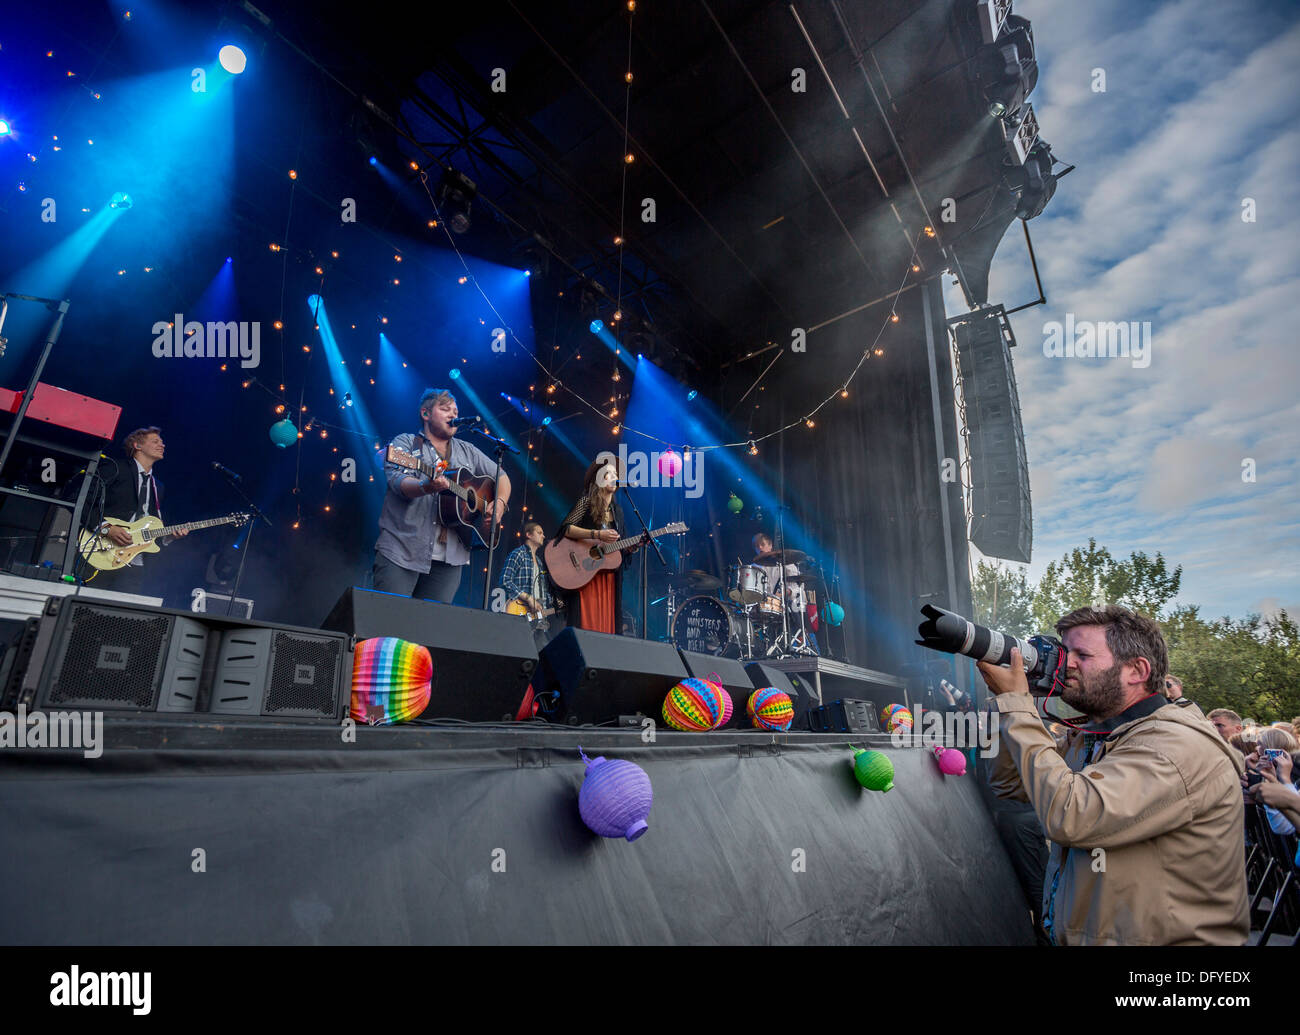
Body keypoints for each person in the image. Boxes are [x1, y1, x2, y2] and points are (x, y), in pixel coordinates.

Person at [980, 604, 1248, 946]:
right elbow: (1011, 784)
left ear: (1136, 670)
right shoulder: (1098, 736)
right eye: (1064, 652)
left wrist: (1016, 706)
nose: (1067, 664)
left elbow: (1071, 815)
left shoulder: (1174, 745)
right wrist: (1016, 702)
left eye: (1082, 654)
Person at [374, 388, 510, 604]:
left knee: (429, 634)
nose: (453, 415)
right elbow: (398, 482)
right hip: (402, 551)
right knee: (388, 628)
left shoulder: (468, 450)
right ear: (425, 414)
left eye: (455, 411)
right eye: (445, 409)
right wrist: (425, 486)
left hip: (450, 561)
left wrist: (500, 504)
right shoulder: (406, 444)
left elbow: (502, 476)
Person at [86, 426, 188, 595]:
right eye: (155, 441)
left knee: (122, 615)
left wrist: (168, 536)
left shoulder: (158, 486)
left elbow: (149, 524)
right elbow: (80, 500)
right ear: (137, 446)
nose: (162, 446)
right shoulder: (115, 468)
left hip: (134, 561)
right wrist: (106, 528)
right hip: (103, 551)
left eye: (162, 443)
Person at [553, 458, 642, 634]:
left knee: (606, 624)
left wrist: (632, 547)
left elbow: (620, 544)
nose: (614, 477)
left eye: (616, 474)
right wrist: (597, 534)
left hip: (607, 575)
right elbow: (566, 529)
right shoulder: (586, 502)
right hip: (585, 572)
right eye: (609, 473)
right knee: (584, 623)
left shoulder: (618, 512)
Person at [500, 520, 562, 647]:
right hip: (521, 613)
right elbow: (505, 580)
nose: (543, 536)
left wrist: (558, 603)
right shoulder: (518, 554)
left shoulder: (539, 562)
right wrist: (528, 598)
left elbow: (543, 593)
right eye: (539, 532)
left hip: (537, 620)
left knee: (542, 653)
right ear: (528, 535)